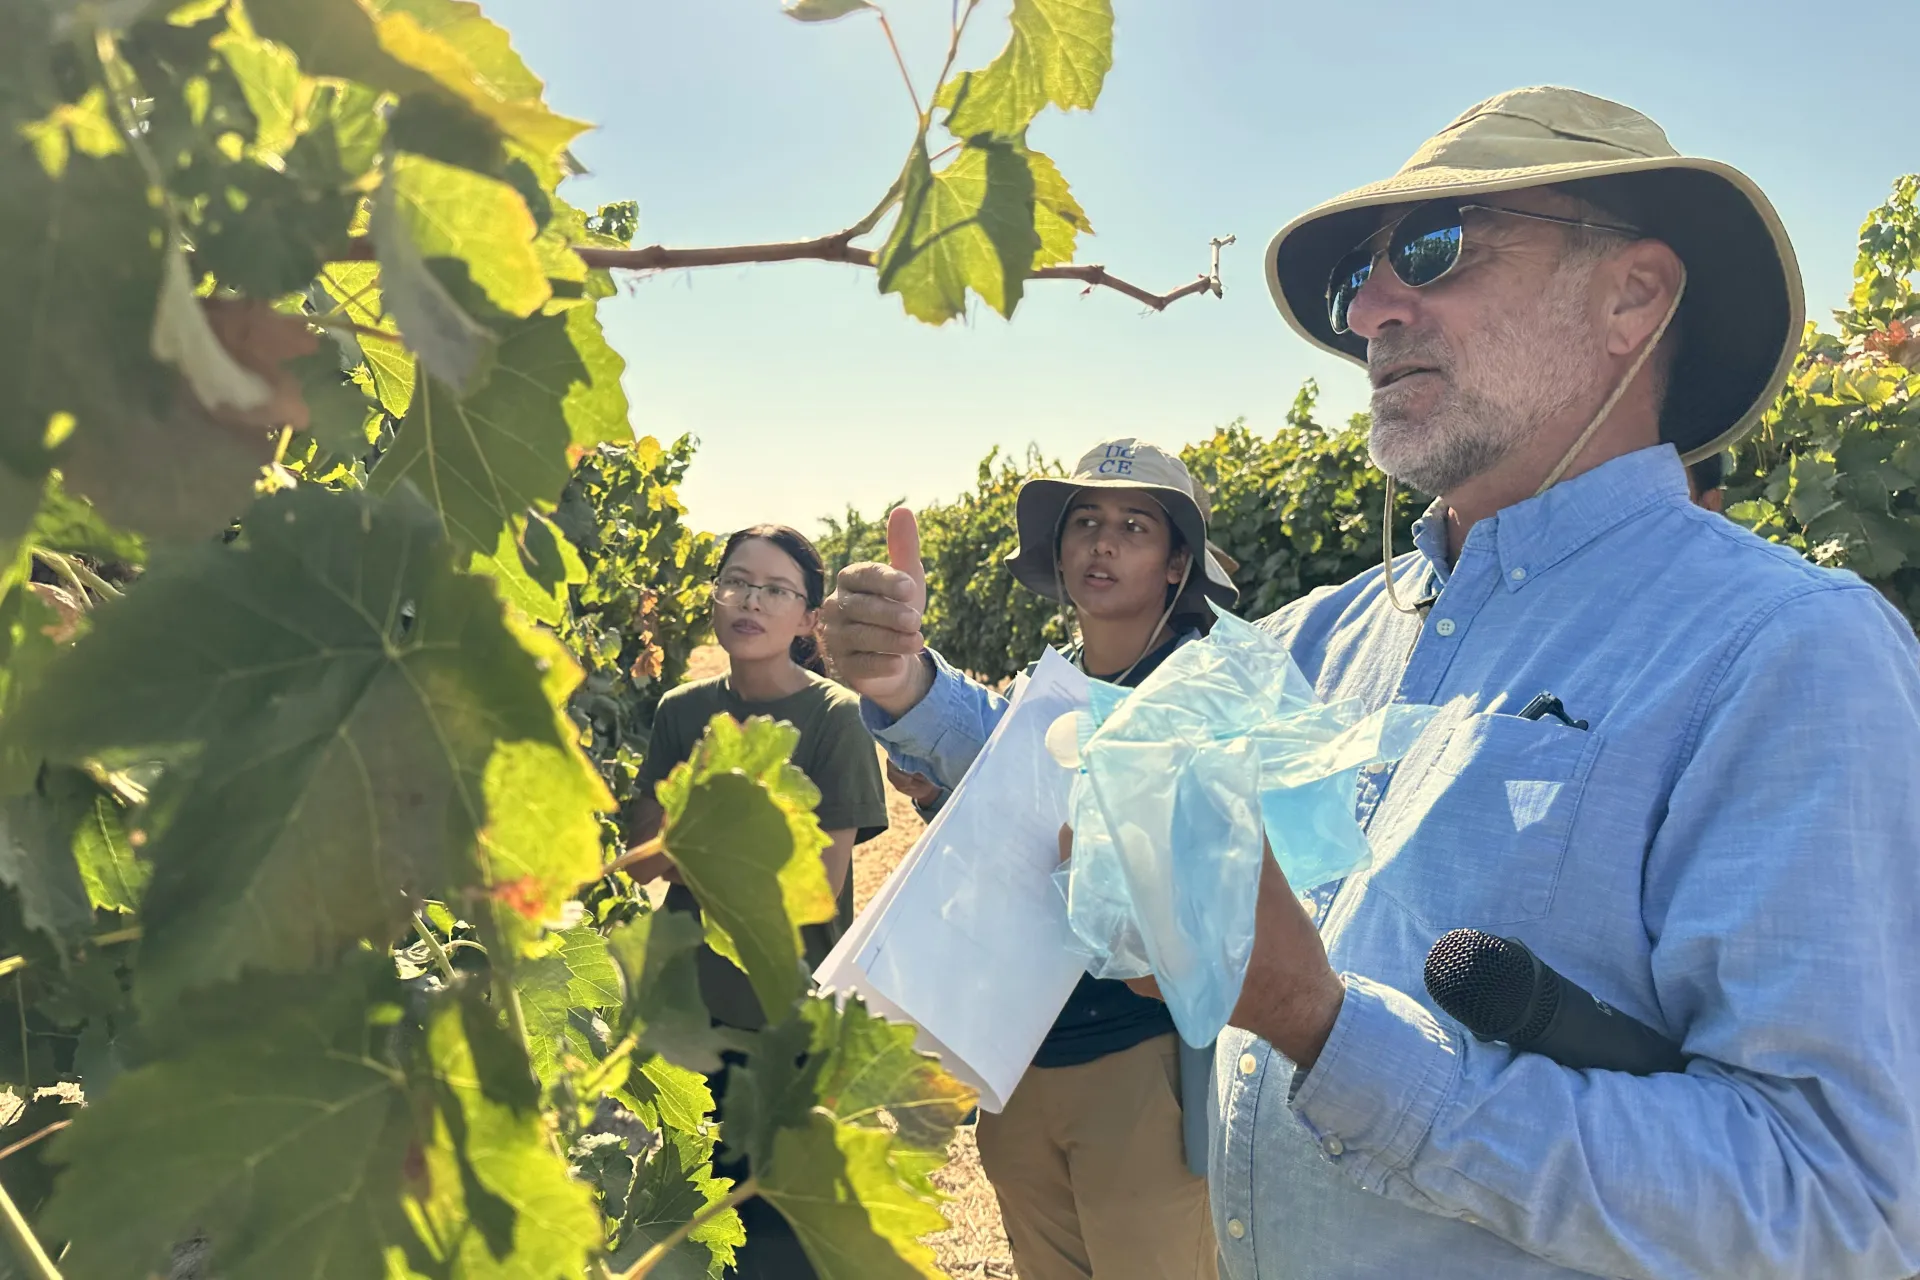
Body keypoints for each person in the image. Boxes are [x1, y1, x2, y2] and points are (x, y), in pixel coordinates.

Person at [827, 86, 1920, 1278]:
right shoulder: (1321, 635)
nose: (1375, 312)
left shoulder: (1788, 650)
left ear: (1632, 296)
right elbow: (1082, 752)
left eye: (1437, 248)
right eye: (1363, 278)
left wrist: (1324, 1022)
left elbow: (1835, 1210)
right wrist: (908, 683)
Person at [821, 439, 1233, 1280]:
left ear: (1176, 562)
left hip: (1141, 1071)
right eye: (1085, 522)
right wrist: (950, 797)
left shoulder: (1209, 696)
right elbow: (1014, 778)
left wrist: (912, 691)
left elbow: (1044, 766)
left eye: (1133, 525)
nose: (1103, 542)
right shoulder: (1042, 693)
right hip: (1021, 1064)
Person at [626, 523, 889, 1280]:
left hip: (787, 1016)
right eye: (736, 581)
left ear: (809, 619)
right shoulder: (681, 710)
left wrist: (696, 840)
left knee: (780, 1230)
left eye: (776, 589)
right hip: (692, 1009)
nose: (750, 600)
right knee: (701, 1216)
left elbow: (818, 884)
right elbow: (648, 855)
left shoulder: (835, 718)